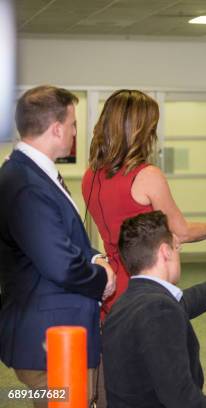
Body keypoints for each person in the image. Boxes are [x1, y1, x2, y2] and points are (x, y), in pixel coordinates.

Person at [0, 85, 115, 407]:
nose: (76, 132)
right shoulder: (26, 184)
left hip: (55, 325)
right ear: (56, 128)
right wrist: (102, 278)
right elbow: (61, 264)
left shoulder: (33, 172)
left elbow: (62, 238)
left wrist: (95, 256)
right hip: (49, 334)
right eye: (74, 124)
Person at [82, 89, 206, 317]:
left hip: (111, 285)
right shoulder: (146, 175)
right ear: (140, 130)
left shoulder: (91, 175)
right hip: (144, 283)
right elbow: (183, 231)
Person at [102, 210, 206, 408]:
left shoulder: (126, 304)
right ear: (165, 251)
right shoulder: (159, 311)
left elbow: (180, 303)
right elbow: (181, 398)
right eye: (177, 247)